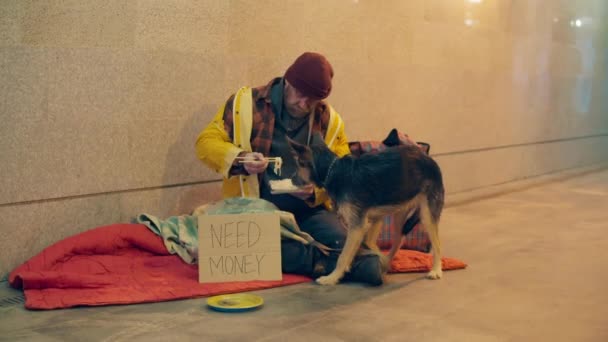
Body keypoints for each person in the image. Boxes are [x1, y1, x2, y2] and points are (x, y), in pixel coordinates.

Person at [195, 52, 384, 285]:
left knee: (346, 244)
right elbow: (206, 142)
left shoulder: (328, 120)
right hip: (256, 208)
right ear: (288, 81)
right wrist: (240, 158)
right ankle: (324, 261)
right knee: (229, 247)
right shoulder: (245, 104)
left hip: (309, 210)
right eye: (300, 95)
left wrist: (315, 191)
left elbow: (344, 172)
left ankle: (329, 258)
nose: (304, 104)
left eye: (312, 100)